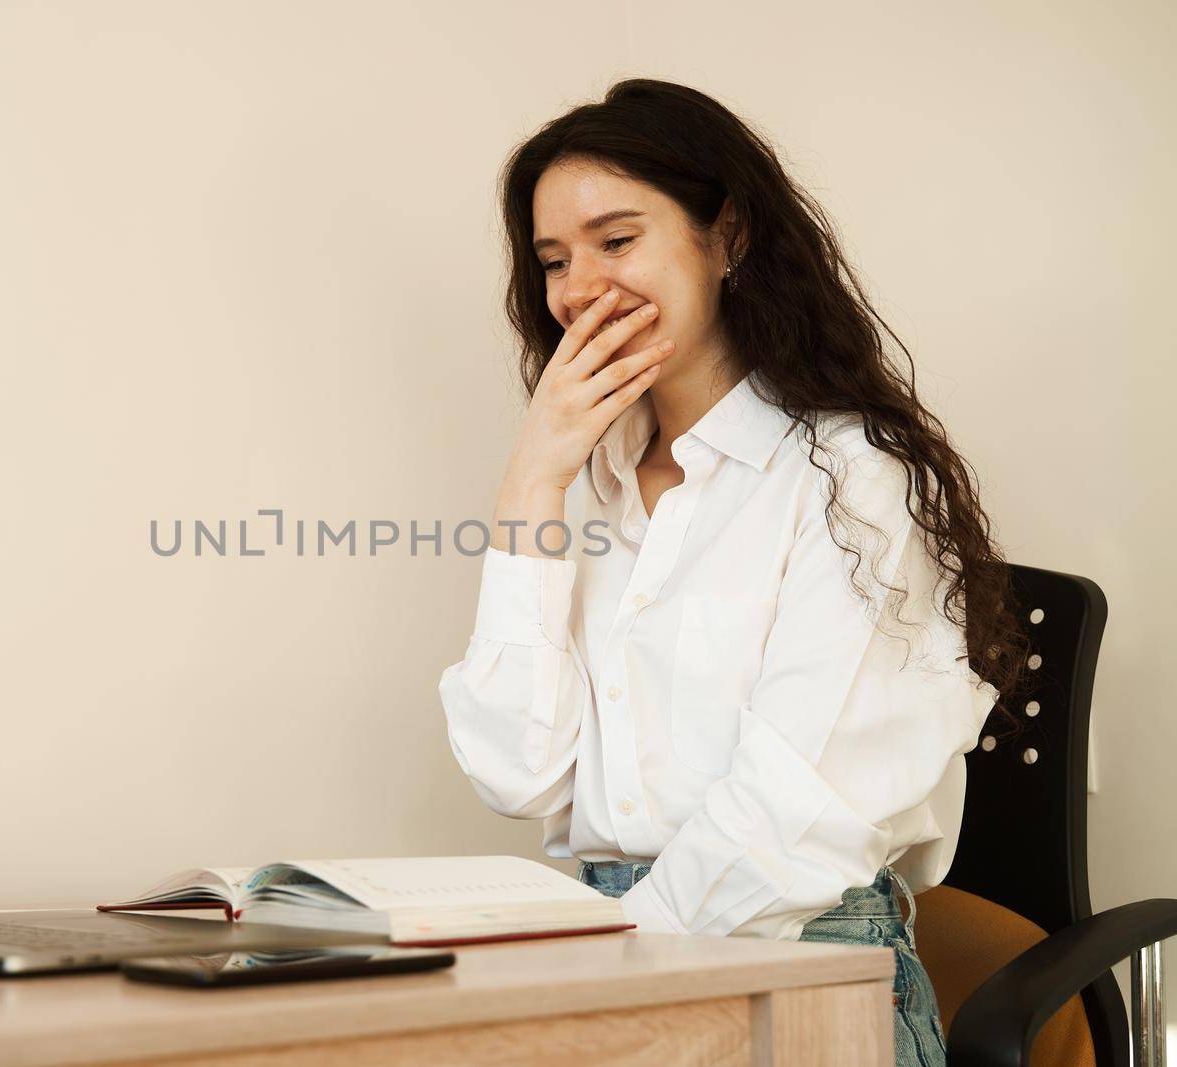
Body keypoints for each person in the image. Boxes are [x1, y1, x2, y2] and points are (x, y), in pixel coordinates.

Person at [437, 79, 1029, 1067]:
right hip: (616, 945)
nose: (579, 287)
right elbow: (514, 770)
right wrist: (532, 478)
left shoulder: (851, 477)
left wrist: (605, 989)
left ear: (728, 238)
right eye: (552, 260)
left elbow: (791, 817)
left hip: (791, 964)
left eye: (616, 240)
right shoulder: (590, 483)